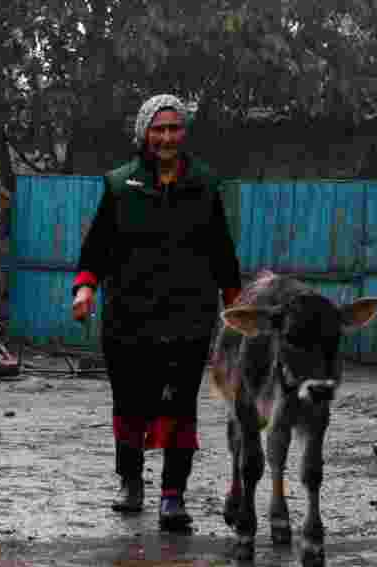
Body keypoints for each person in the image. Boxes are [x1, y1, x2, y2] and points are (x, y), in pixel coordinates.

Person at [71, 94, 242, 531]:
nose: (167, 137)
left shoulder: (205, 185)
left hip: (187, 317)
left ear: (184, 134)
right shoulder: (119, 185)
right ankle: (130, 481)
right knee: (128, 402)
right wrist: (85, 289)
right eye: (158, 129)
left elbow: (222, 251)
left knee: (179, 405)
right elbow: (96, 248)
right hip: (128, 316)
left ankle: (173, 495)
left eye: (174, 128)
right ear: (144, 134)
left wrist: (234, 302)